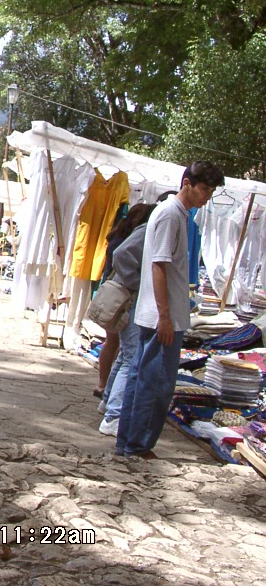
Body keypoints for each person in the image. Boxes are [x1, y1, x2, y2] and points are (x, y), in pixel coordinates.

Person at [115, 161, 223, 459]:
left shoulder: (176, 215)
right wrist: (164, 316)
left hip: (162, 313)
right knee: (155, 384)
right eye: (204, 189)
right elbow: (158, 266)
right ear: (187, 183)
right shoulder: (171, 215)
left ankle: (130, 443)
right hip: (162, 317)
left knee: (143, 379)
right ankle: (137, 445)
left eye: (211, 191)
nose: (207, 196)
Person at [94, 202, 157, 437]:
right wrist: (137, 285)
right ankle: (114, 416)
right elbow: (122, 255)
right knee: (131, 355)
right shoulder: (145, 232)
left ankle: (108, 400)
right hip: (130, 299)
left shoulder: (132, 232)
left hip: (127, 298)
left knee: (124, 353)